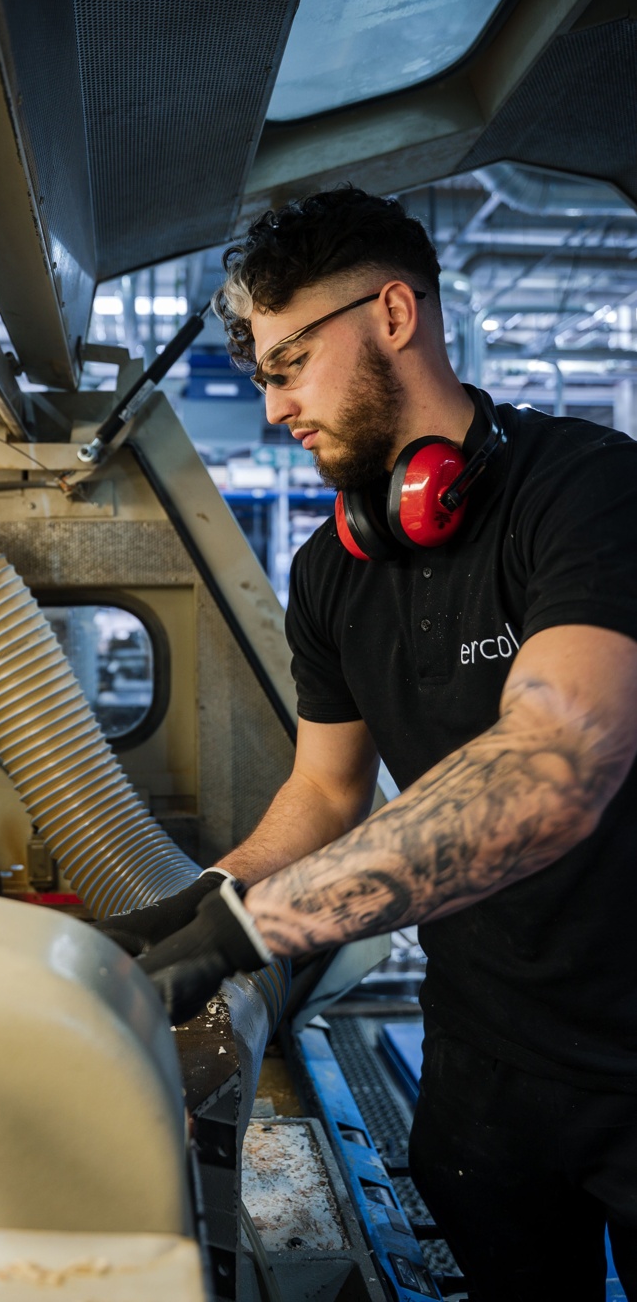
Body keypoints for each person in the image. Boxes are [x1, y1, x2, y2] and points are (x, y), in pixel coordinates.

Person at [99, 187, 637, 1301]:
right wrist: (200, 901)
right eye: (261, 377)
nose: (278, 403)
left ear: (393, 314)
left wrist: (247, 932)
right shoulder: (330, 570)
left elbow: (552, 771)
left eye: (290, 362)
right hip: (483, 1059)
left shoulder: (588, 492)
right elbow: (326, 792)